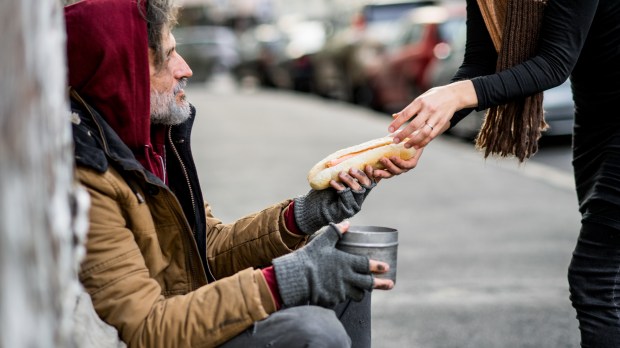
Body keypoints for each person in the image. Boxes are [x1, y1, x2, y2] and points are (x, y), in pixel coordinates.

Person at [65, 0, 397, 347]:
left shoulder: (149, 147)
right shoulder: (89, 178)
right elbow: (149, 327)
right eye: (167, 56)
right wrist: (283, 281)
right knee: (311, 329)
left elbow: (207, 248)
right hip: (165, 333)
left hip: (188, 316)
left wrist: (305, 214)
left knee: (344, 265)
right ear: (124, 72)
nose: (185, 69)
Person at [377, 0, 620, 346]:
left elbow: (554, 63)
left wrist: (456, 94)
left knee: (596, 281)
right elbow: (480, 63)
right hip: (595, 122)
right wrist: (411, 140)